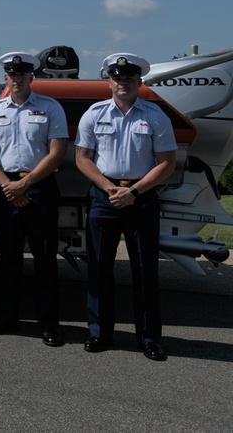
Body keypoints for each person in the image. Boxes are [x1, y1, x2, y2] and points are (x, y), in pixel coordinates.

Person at [75, 53, 177, 361]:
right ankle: (99, 333)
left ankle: (148, 338)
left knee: (145, 271)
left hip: (141, 198)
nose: (123, 82)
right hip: (104, 197)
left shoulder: (155, 115)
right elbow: (82, 158)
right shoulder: (94, 114)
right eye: (117, 78)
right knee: (99, 269)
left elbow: (167, 163)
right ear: (109, 81)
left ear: (139, 82)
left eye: (129, 78)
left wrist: (133, 191)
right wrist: (108, 188)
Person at [0, 53, 68, 347]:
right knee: (8, 260)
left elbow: (56, 154)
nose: (17, 78)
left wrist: (25, 185)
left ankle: (49, 325)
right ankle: (5, 319)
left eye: (23, 74)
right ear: (5, 77)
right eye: (12, 74)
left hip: (40, 189)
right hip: (6, 189)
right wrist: (9, 186)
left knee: (45, 260)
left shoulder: (50, 107)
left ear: (32, 77)